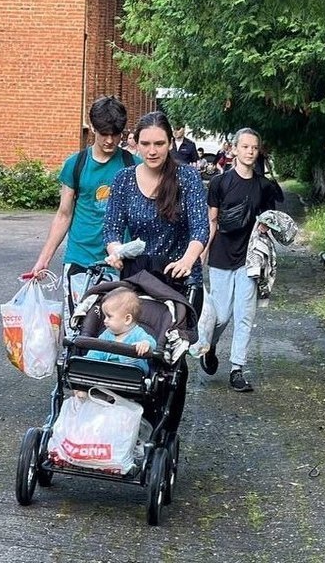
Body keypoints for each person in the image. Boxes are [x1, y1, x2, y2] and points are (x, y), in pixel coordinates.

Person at [102, 111, 209, 435]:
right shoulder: (124, 180)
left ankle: (166, 429)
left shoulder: (187, 178)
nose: (152, 150)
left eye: (159, 143)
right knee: (128, 342)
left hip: (178, 278)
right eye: (145, 143)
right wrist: (115, 251)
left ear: (170, 143)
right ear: (135, 143)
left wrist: (188, 259)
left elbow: (200, 229)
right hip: (137, 276)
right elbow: (111, 227)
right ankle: (127, 414)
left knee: (171, 355)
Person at [28, 96, 138, 330]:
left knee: (115, 329)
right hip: (80, 257)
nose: (110, 140)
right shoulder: (76, 164)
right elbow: (64, 214)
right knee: (76, 327)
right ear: (93, 130)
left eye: (116, 134)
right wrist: (43, 259)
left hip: (119, 262)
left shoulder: (133, 165)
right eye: (104, 134)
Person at [197, 128, 269, 392]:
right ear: (234, 149)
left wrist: (266, 227)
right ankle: (210, 346)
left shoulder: (263, 186)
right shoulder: (220, 183)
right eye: (245, 147)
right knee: (221, 316)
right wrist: (202, 252)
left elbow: (268, 220)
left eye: (254, 147)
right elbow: (212, 220)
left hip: (249, 259)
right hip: (221, 256)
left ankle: (237, 369)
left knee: (244, 316)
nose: (250, 151)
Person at [85, 287, 156, 373]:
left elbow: (151, 341)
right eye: (105, 316)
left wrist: (145, 344)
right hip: (105, 373)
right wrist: (87, 363)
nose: (105, 321)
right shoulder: (106, 334)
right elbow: (95, 352)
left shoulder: (137, 333)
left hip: (131, 373)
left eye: (109, 316)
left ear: (127, 319)